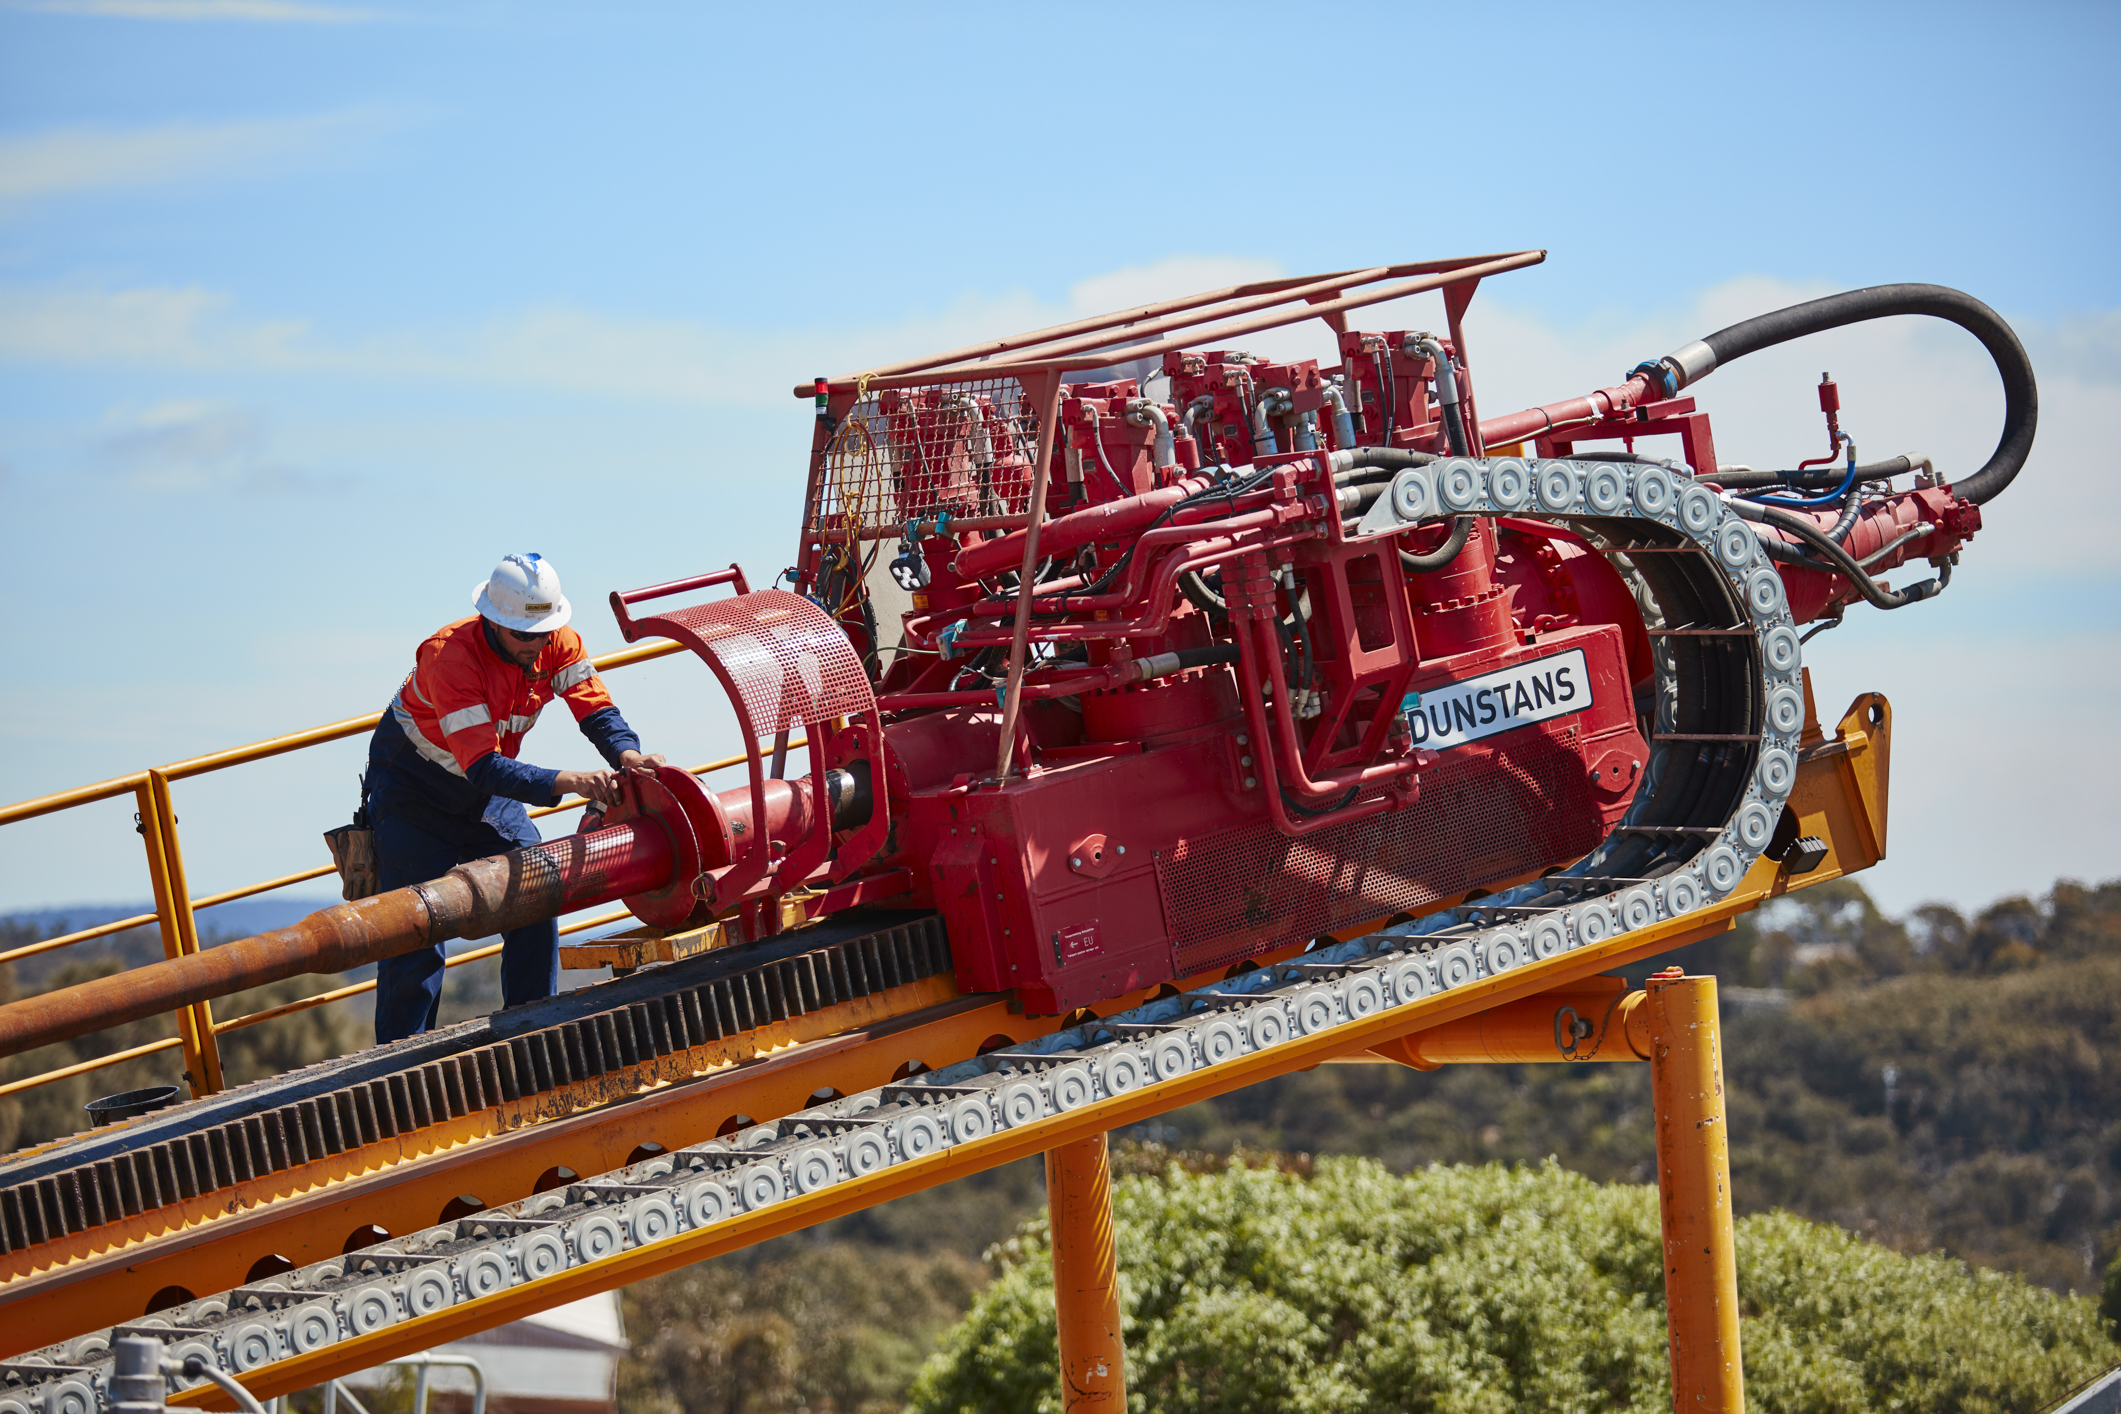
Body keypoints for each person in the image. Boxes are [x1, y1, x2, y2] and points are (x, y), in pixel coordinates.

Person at [364, 553, 665, 1043]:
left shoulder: (554, 640)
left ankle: (530, 1037)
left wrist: (627, 755)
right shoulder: (450, 658)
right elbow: (482, 767)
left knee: (537, 897)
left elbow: (596, 709)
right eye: (525, 635)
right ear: (493, 621)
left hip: (487, 789)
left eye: (544, 632)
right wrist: (572, 781)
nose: (537, 644)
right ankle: (401, 1064)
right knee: (417, 928)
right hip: (415, 791)